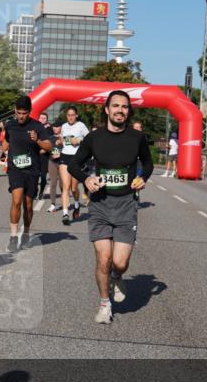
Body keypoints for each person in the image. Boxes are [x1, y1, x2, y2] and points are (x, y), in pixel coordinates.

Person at [69, 90, 153, 324]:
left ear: (128, 111)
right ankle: (105, 304)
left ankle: (117, 276)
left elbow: (148, 163)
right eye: (115, 106)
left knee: (120, 263)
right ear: (106, 110)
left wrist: (143, 177)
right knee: (103, 258)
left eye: (124, 107)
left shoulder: (137, 138)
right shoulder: (94, 138)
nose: (120, 110)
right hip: (100, 205)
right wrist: (86, 179)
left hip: (126, 205)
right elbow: (74, 164)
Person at [2, 96, 52, 252]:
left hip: (32, 170)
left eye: (24, 113)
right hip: (15, 169)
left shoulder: (37, 126)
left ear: (30, 112)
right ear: (15, 111)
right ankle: (13, 236)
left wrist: (37, 140)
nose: (21, 116)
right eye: (19, 113)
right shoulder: (10, 125)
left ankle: (26, 232)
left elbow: (49, 146)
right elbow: (7, 142)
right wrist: (2, 150)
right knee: (16, 200)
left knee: (28, 205)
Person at [59, 107, 90, 225]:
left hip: (76, 159)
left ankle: (76, 204)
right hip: (64, 157)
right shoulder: (64, 126)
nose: (70, 117)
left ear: (76, 115)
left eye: (72, 115)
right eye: (68, 115)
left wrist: (80, 139)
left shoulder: (81, 125)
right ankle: (65, 214)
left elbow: (89, 139)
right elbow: (62, 139)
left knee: (73, 188)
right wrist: (60, 140)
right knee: (65, 187)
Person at [46, 121, 63, 212]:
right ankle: (53, 204)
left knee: (62, 184)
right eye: (54, 127)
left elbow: (69, 149)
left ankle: (64, 201)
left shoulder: (65, 137)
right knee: (53, 183)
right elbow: (47, 149)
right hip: (52, 162)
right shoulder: (50, 138)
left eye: (57, 127)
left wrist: (60, 155)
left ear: (61, 127)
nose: (55, 129)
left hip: (62, 162)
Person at [37, 112, 51, 198]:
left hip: (45, 156)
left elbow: (51, 141)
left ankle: (41, 191)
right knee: (34, 175)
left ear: (47, 120)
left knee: (43, 176)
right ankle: (34, 190)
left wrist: (45, 150)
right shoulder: (35, 127)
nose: (42, 119)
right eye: (41, 118)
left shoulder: (50, 129)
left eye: (44, 118)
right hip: (35, 155)